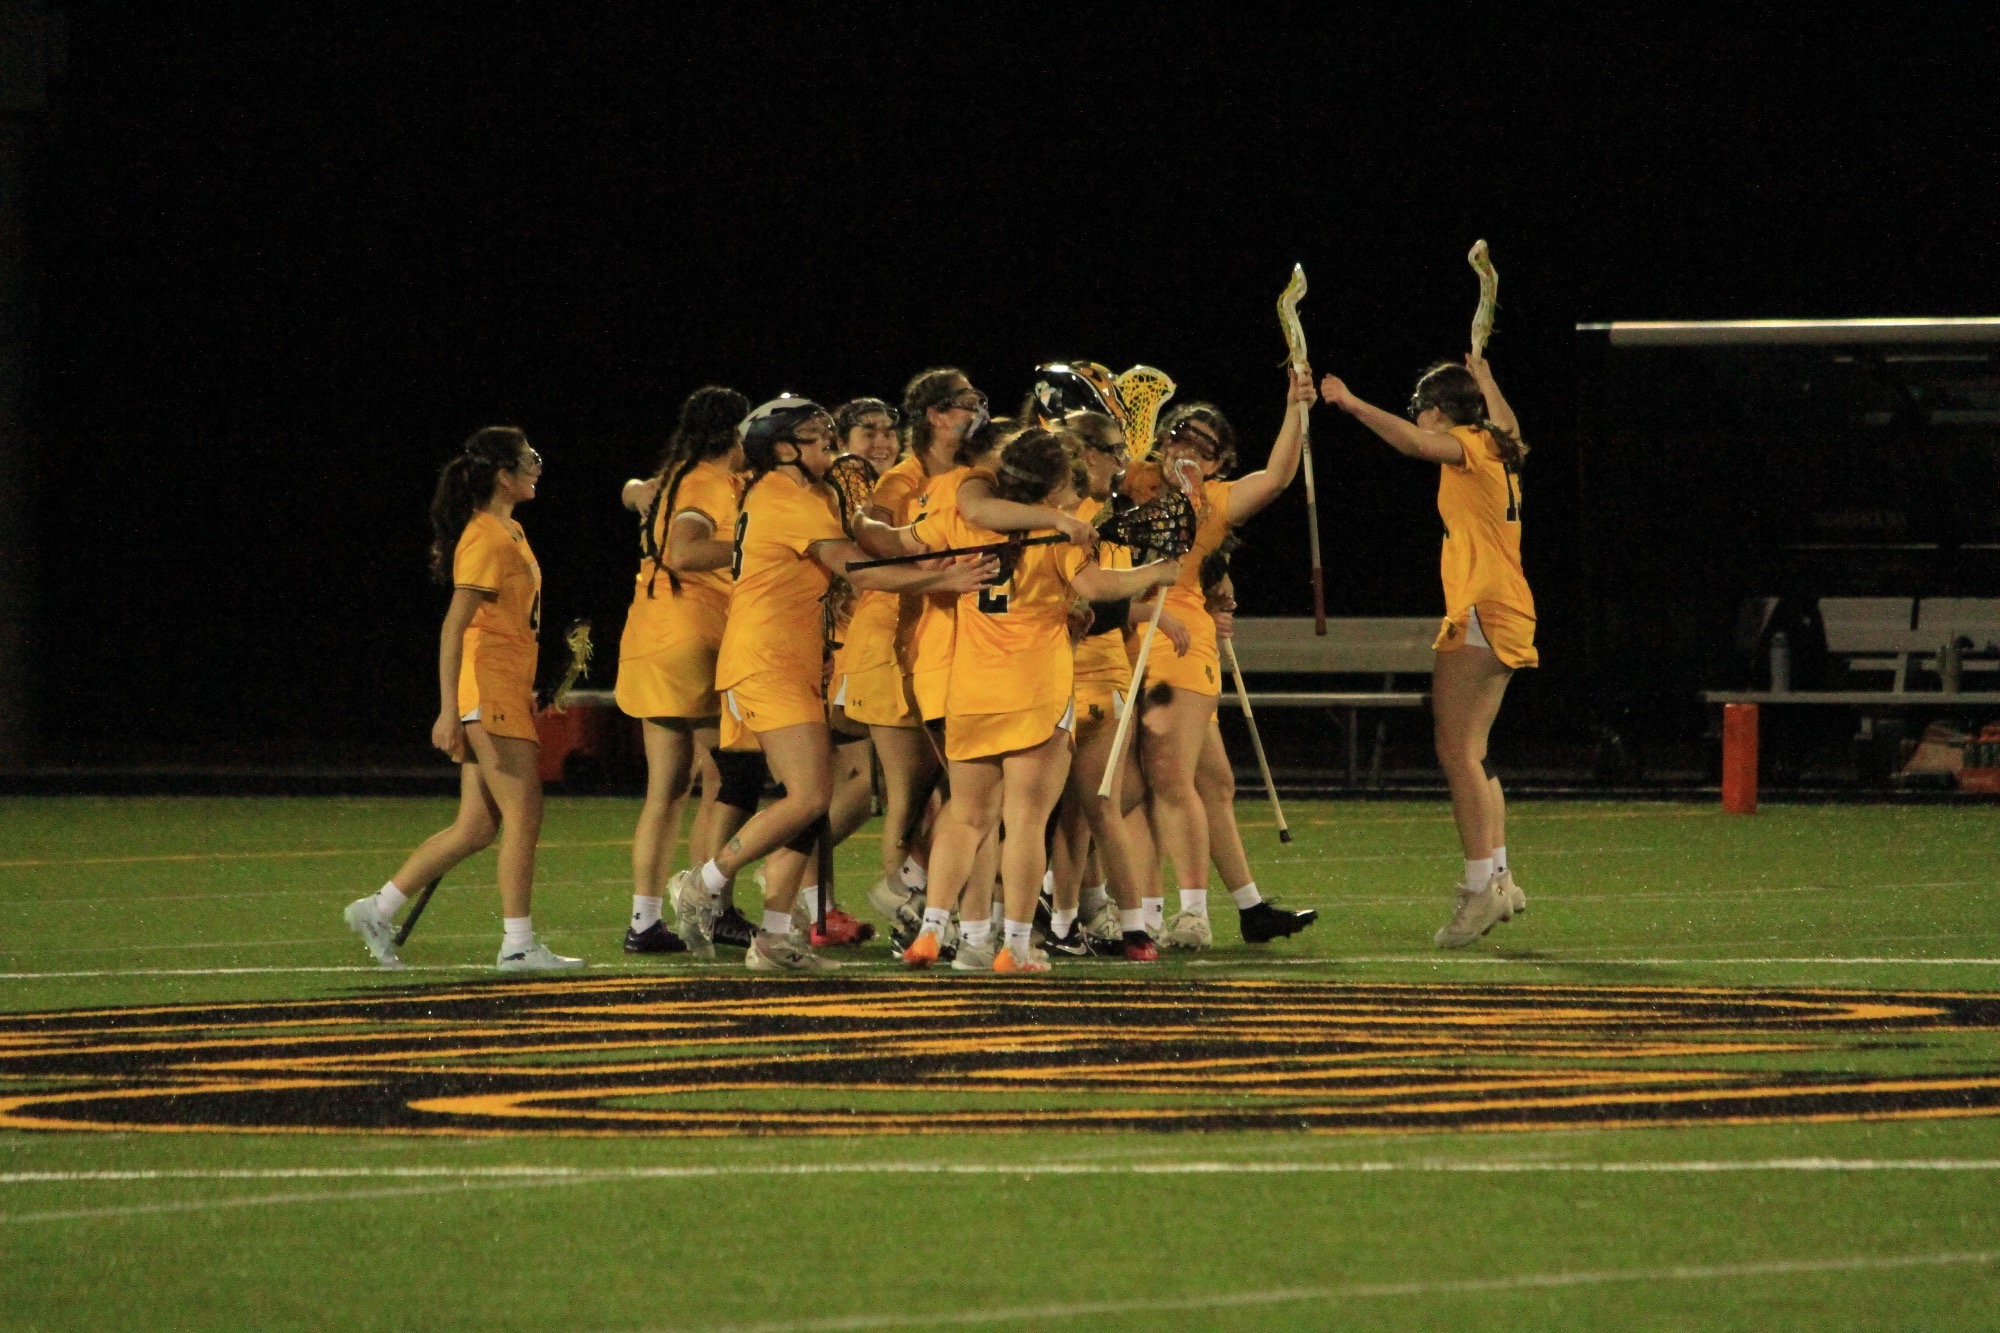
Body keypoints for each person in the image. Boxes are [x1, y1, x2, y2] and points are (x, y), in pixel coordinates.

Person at [677, 395, 997, 972]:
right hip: (766, 657)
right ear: (780, 448)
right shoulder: (782, 495)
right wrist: (941, 579)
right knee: (808, 796)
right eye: (811, 429)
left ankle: (774, 939)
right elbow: (858, 567)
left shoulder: (817, 492)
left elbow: (873, 535)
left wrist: (935, 538)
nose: (827, 432)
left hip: (795, 659)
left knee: (811, 804)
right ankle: (704, 881)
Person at [900, 427, 1180, 972]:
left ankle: (933, 929)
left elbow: (897, 537)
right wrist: (1156, 572)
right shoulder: (1061, 533)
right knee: (1026, 821)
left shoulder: (969, 518)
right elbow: (1097, 587)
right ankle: (1016, 948)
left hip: (971, 686)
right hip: (1035, 689)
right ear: (1053, 489)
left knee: (965, 817)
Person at [344, 427, 583, 973]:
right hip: (485, 690)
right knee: (525, 813)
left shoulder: (509, 531)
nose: (537, 467)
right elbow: (455, 628)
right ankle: (518, 945)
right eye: (530, 459)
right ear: (503, 475)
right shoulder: (485, 536)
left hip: (501, 688)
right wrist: (450, 709)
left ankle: (378, 908)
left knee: (477, 826)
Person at [1320, 355, 1534, 947]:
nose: (1422, 419)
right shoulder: (1499, 442)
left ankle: (1477, 891)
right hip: (1506, 604)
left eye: (1425, 410)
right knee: (1476, 752)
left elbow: (1415, 444)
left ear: (1440, 411)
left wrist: (1350, 400)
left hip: (1484, 605)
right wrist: (1489, 376)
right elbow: (1509, 423)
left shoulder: (1468, 441)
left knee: (1456, 751)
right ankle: (1498, 876)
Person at [1142, 371, 1322, 950]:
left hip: (1177, 644)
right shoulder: (1132, 485)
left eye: (1201, 449)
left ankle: (1192, 913)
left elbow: (1276, 477)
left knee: (1174, 779)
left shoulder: (1213, 500)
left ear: (1217, 464)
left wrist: (1296, 408)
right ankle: (1249, 908)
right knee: (1213, 783)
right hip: (1130, 639)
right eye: (1178, 440)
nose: (1185, 453)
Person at [612, 386, 748, 955]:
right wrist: (751, 547)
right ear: (731, 434)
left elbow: (634, 493)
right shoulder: (708, 482)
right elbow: (684, 549)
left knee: (666, 789)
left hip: (649, 632)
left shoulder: (671, 476)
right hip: (695, 636)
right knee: (727, 779)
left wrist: (636, 490)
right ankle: (710, 907)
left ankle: (644, 921)